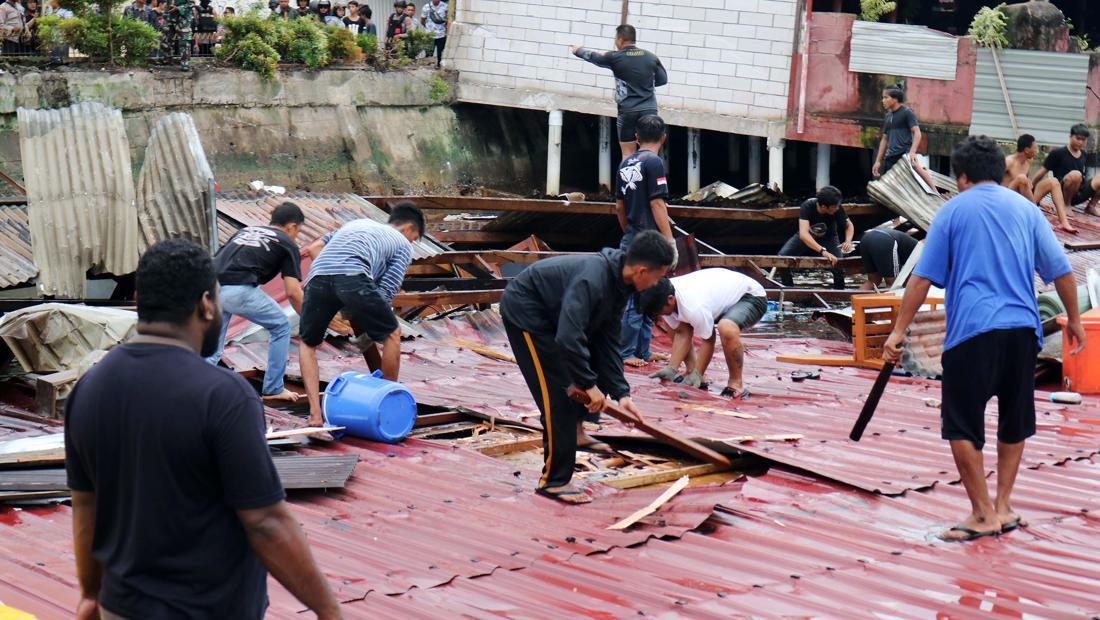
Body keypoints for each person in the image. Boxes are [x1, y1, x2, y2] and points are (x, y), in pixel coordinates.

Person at [64, 240, 342, 620]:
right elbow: (265, 523)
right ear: (206, 304)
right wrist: (329, 610)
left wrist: (90, 594)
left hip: (122, 607)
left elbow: (86, 507)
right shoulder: (224, 395)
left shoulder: (90, 388)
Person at [883, 135, 1085, 542]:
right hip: (1023, 332)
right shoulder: (1027, 211)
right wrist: (1075, 321)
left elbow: (922, 277)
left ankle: (982, 514)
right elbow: (1061, 271)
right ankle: (1004, 506)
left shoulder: (952, 211)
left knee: (962, 424)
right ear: (1001, 170)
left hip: (973, 331)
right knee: (1015, 419)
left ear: (961, 177)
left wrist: (898, 331)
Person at [501, 231, 674, 504]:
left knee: (592, 362)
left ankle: (578, 432)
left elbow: (607, 341)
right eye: (657, 277)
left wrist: (621, 394)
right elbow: (568, 338)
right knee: (559, 393)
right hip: (528, 312)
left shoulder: (621, 285)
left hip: (555, 314)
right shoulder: (593, 279)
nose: (656, 284)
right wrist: (588, 385)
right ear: (642, 270)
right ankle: (554, 482)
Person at [299, 203, 424, 427]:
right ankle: (386, 402)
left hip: (317, 275)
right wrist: (368, 319)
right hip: (353, 275)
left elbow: (315, 248)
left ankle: (315, 416)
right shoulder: (403, 245)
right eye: (413, 238)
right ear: (407, 230)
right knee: (392, 332)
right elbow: (387, 290)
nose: (411, 242)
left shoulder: (356, 223)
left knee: (307, 343)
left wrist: (338, 296)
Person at [207, 202, 306, 403]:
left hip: (210, 287)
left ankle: (197, 387)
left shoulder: (245, 232)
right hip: (239, 289)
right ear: (292, 226)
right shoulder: (286, 242)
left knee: (213, 348)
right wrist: (311, 320)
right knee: (281, 326)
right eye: (298, 231)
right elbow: (293, 292)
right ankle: (273, 388)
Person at [646, 268, 769, 400]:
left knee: (726, 327)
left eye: (658, 309)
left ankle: (735, 383)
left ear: (670, 300)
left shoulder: (693, 306)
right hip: (716, 299)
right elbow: (682, 332)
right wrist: (672, 367)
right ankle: (691, 371)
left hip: (751, 297)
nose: (658, 314)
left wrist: (698, 373)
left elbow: (708, 339)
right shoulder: (665, 294)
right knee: (672, 326)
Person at [615, 114, 674, 368]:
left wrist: (630, 230)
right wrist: (669, 241)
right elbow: (657, 202)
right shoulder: (654, 163)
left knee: (644, 294)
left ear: (636, 137)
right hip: (650, 241)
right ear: (663, 137)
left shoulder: (625, 164)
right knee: (640, 297)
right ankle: (628, 351)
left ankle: (642, 350)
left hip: (632, 237)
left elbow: (619, 206)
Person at [570, 24, 667, 161]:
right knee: (650, 153)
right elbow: (663, 80)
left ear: (620, 40)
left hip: (627, 111)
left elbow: (595, 58)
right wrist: (643, 84)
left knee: (628, 154)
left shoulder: (615, 57)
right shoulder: (651, 57)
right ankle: (650, 180)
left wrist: (577, 50)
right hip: (649, 109)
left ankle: (628, 182)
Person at [778, 185, 853, 290]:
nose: (837, 208)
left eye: (837, 206)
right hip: (808, 235)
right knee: (782, 258)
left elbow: (849, 226)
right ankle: (789, 289)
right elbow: (803, 234)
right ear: (823, 206)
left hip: (829, 237)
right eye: (834, 207)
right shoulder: (808, 206)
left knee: (838, 263)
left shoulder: (837, 208)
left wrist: (848, 241)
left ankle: (839, 290)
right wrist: (823, 251)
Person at [1004, 134, 1076, 233]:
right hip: (1008, 200)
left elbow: (1026, 186)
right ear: (1026, 150)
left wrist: (1040, 202)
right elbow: (994, 182)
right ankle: (1039, 219)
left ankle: (1064, 222)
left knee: (1053, 181)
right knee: (1021, 178)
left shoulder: (1029, 161)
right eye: (1035, 149)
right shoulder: (1008, 162)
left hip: (1024, 201)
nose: (1037, 151)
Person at [872, 84, 938, 191]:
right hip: (890, 157)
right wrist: (878, 161)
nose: (882, 101)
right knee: (890, 188)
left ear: (895, 99)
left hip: (903, 154)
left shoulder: (906, 113)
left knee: (916, 168)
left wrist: (912, 152)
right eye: (882, 98)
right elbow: (884, 139)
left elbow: (917, 133)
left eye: (885, 98)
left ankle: (935, 192)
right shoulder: (888, 116)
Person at [1032, 123, 1100, 217]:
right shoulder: (1057, 153)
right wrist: (1030, 191)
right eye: (1078, 138)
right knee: (1075, 175)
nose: (1080, 142)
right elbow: (1040, 173)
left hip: (1078, 193)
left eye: (1083, 140)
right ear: (1070, 137)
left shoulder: (1084, 154)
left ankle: (1090, 206)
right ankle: (1066, 205)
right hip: (1061, 193)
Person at [158, 0, 193, 71]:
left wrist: (178, 8)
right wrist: (164, 15)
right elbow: (167, 4)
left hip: (183, 19)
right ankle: (166, 60)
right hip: (169, 18)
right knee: (165, 39)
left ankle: (185, 64)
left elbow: (191, 4)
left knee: (184, 42)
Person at [419, 0, 446, 68]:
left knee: (441, 54)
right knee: (428, 54)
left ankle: (439, 68)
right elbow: (422, 20)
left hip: (441, 35)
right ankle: (428, 70)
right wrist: (428, 29)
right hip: (429, 35)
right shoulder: (426, 7)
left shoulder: (445, 6)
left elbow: (448, 20)